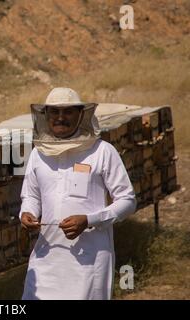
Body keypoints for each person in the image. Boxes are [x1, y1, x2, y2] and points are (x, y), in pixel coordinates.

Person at [20, 87, 136, 300]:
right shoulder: (38, 154)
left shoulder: (102, 151)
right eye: (54, 112)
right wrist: (27, 213)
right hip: (47, 257)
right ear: (45, 115)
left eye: (68, 112)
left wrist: (90, 219)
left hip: (90, 259)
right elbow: (31, 195)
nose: (60, 118)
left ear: (81, 114)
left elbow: (127, 200)